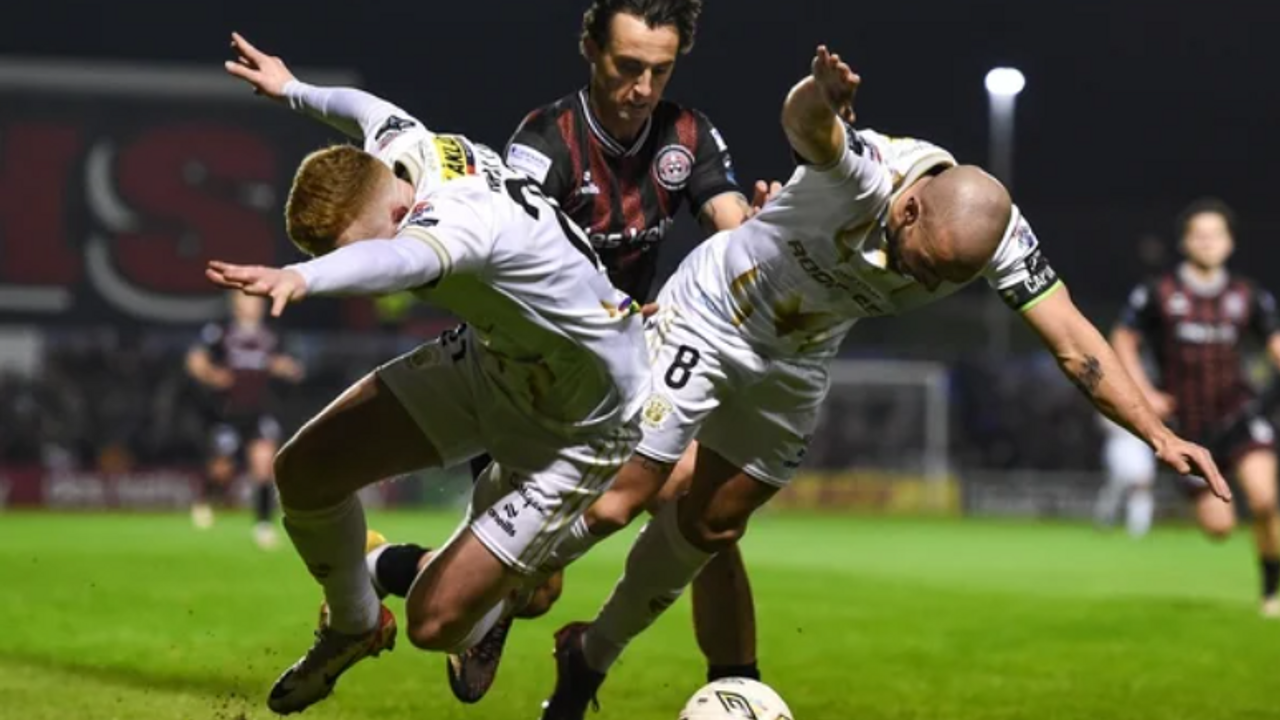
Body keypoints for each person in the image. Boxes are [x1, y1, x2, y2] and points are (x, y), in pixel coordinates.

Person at [535, 45, 1231, 719]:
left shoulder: (999, 237)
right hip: (718, 312)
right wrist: (819, 95)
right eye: (923, 263)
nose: (922, 281)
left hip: (799, 359)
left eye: (942, 279)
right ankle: (471, 583)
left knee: (713, 524)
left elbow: (1075, 342)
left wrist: (1158, 433)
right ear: (907, 210)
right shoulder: (868, 171)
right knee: (620, 499)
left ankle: (589, 656)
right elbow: (807, 124)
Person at [215, 33, 650, 715]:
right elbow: (362, 107)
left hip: (580, 422)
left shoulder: (453, 225)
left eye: (358, 244)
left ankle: (493, 584)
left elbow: (391, 264)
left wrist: (302, 275)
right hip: (495, 359)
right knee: (302, 472)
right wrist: (292, 89)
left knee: (435, 624)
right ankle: (355, 626)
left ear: (395, 213)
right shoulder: (403, 149)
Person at [366, 0, 776, 702]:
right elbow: (522, 253)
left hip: (628, 373)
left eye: (660, 70)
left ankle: (736, 689)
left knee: (707, 512)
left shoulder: (687, 135)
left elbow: (727, 223)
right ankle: (389, 567)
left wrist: (761, 236)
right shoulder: (544, 141)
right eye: (627, 67)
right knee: (535, 588)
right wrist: (603, 310)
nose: (642, 88)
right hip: (528, 377)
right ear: (589, 48)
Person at [1112, 197, 1280, 616]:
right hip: (1186, 425)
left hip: (1241, 415)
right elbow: (1122, 339)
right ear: (1186, 242)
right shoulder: (1158, 292)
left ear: (1230, 243)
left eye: (1216, 235)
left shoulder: (1249, 296)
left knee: (1264, 499)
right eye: (1199, 235)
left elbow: (1275, 343)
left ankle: (1272, 592)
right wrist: (1144, 390)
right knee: (1219, 528)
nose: (1208, 242)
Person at [185, 291, 303, 548]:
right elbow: (195, 360)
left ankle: (263, 525)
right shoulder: (219, 332)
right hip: (228, 411)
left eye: (256, 301)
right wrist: (211, 375)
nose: (253, 306)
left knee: (263, 465)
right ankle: (207, 499)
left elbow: (286, 364)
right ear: (236, 305)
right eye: (247, 301)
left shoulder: (271, 335)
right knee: (222, 468)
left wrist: (288, 369)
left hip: (261, 409)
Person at [1094, 416, 1157, 537]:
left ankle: (1138, 528)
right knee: (1115, 487)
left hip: (1140, 445)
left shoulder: (1149, 398)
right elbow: (1103, 421)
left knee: (1142, 486)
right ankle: (1104, 521)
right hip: (1119, 444)